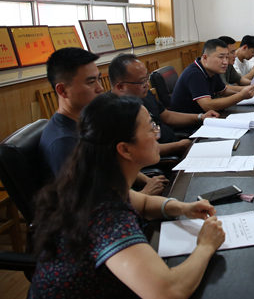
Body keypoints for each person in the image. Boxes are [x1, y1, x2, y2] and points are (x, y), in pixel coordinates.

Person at [29, 93, 226, 299]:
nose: (157, 134)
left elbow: (144, 202)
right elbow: (168, 292)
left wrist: (182, 207)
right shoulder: (106, 215)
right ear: (125, 149)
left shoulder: (94, 182)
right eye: (150, 128)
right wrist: (206, 245)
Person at [39, 48, 166, 195]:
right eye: (91, 82)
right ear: (62, 90)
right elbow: (87, 201)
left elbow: (113, 165)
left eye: (98, 79)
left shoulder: (91, 120)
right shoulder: (63, 143)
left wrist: (146, 180)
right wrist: (145, 194)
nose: (100, 88)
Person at [109, 54, 219, 155]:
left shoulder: (144, 93)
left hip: (177, 143)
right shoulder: (115, 112)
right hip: (166, 157)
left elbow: (167, 116)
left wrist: (201, 117)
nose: (147, 85)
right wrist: (178, 146)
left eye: (147, 78)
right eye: (142, 81)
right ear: (121, 87)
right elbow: (140, 151)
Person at [170, 38, 254, 114]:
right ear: (205, 58)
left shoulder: (212, 70)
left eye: (226, 57)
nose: (225, 62)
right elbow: (208, 105)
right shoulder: (194, 74)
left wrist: (247, 92)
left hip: (205, 117)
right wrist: (240, 96)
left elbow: (223, 91)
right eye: (221, 57)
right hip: (189, 123)